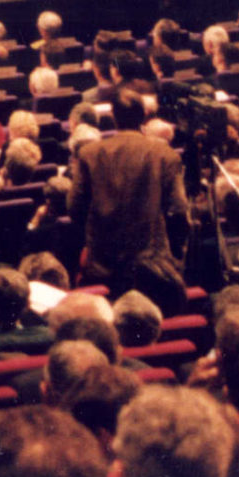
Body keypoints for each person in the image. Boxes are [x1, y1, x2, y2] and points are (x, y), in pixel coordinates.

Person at [68, 90, 191, 328]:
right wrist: (174, 257)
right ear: (143, 116)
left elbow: (75, 208)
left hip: (103, 261)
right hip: (153, 262)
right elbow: (178, 209)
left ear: (113, 117)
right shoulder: (164, 154)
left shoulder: (90, 153)